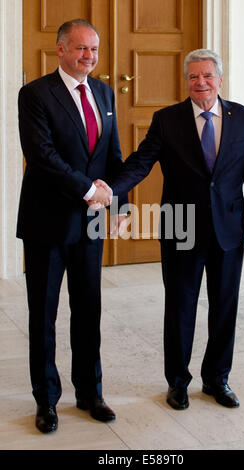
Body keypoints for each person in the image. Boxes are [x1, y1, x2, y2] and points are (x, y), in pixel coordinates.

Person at [107, 49, 244, 410]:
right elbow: (141, 163)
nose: (201, 83)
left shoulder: (241, 117)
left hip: (229, 228)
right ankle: (177, 382)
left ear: (219, 80)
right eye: (194, 77)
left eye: (207, 76)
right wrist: (111, 189)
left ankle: (217, 379)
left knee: (225, 307)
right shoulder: (167, 120)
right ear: (186, 81)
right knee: (181, 307)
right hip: (182, 227)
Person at [17, 18, 127, 433]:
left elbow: (113, 156)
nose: (89, 57)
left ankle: (89, 392)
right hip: (47, 222)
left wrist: (119, 203)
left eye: (94, 50)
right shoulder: (35, 94)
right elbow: (41, 156)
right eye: (81, 48)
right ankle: (46, 400)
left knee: (88, 310)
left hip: (92, 225)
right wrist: (88, 191)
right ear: (60, 49)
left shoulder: (103, 91)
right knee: (43, 315)